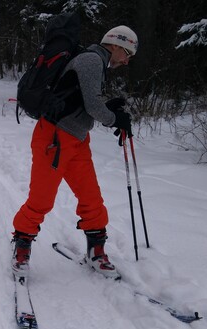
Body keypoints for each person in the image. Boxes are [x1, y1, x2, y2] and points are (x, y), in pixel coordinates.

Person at [11, 25, 138, 280]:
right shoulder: (92, 60)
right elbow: (92, 105)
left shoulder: (97, 62)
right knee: (41, 201)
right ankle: (21, 248)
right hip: (54, 139)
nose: (126, 61)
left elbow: (82, 99)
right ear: (115, 45)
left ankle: (96, 251)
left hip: (77, 139)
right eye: (127, 54)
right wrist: (114, 119)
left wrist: (109, 108)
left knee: (91, 199)